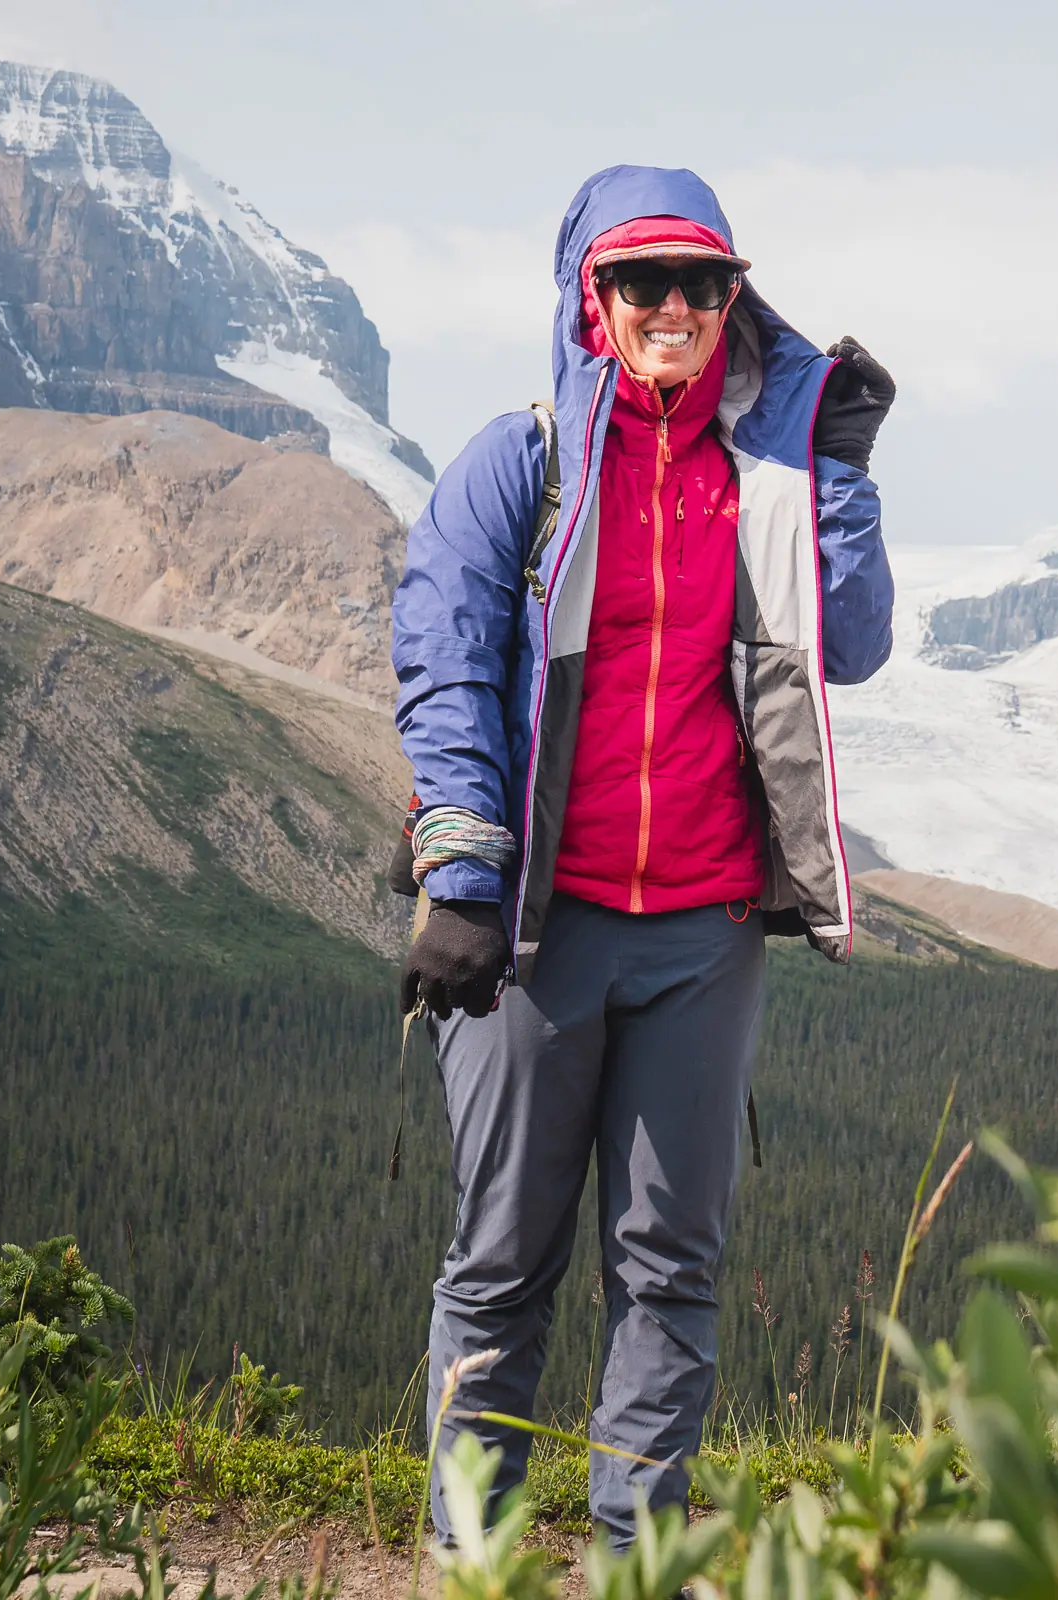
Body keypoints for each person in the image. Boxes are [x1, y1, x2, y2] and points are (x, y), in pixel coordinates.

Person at [388, 163, 895, 1545]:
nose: (674, 305)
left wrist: (839, 473)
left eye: (702, 281)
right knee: (502, 1263)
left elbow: (850, 642)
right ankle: (474, 1563)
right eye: (640, 279)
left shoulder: (767, 476)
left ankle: (633, 1563)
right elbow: (444, 665)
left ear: (735, 299)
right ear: (589, 296)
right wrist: (461, 881)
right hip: (536, 930)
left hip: (704, 931)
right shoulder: (523, 462)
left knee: (671, 1272)